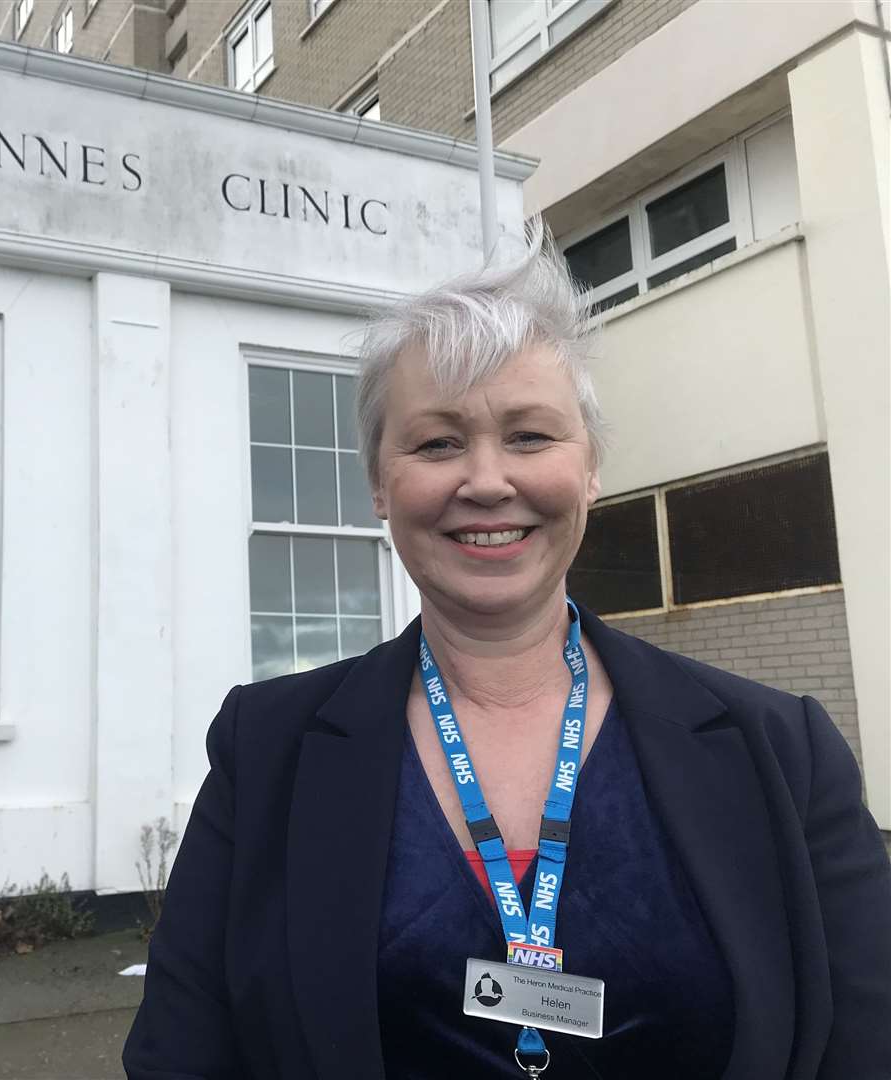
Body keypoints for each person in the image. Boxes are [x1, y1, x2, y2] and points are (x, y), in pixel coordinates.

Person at [122, 226, 891, 1079]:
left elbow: (865, 1042)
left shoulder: (781, 751)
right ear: (379, 483)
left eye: (529, 437)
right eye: (437, 443)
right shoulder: (264, 751)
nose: (487, 481)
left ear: (590, 468)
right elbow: (181, 1059)